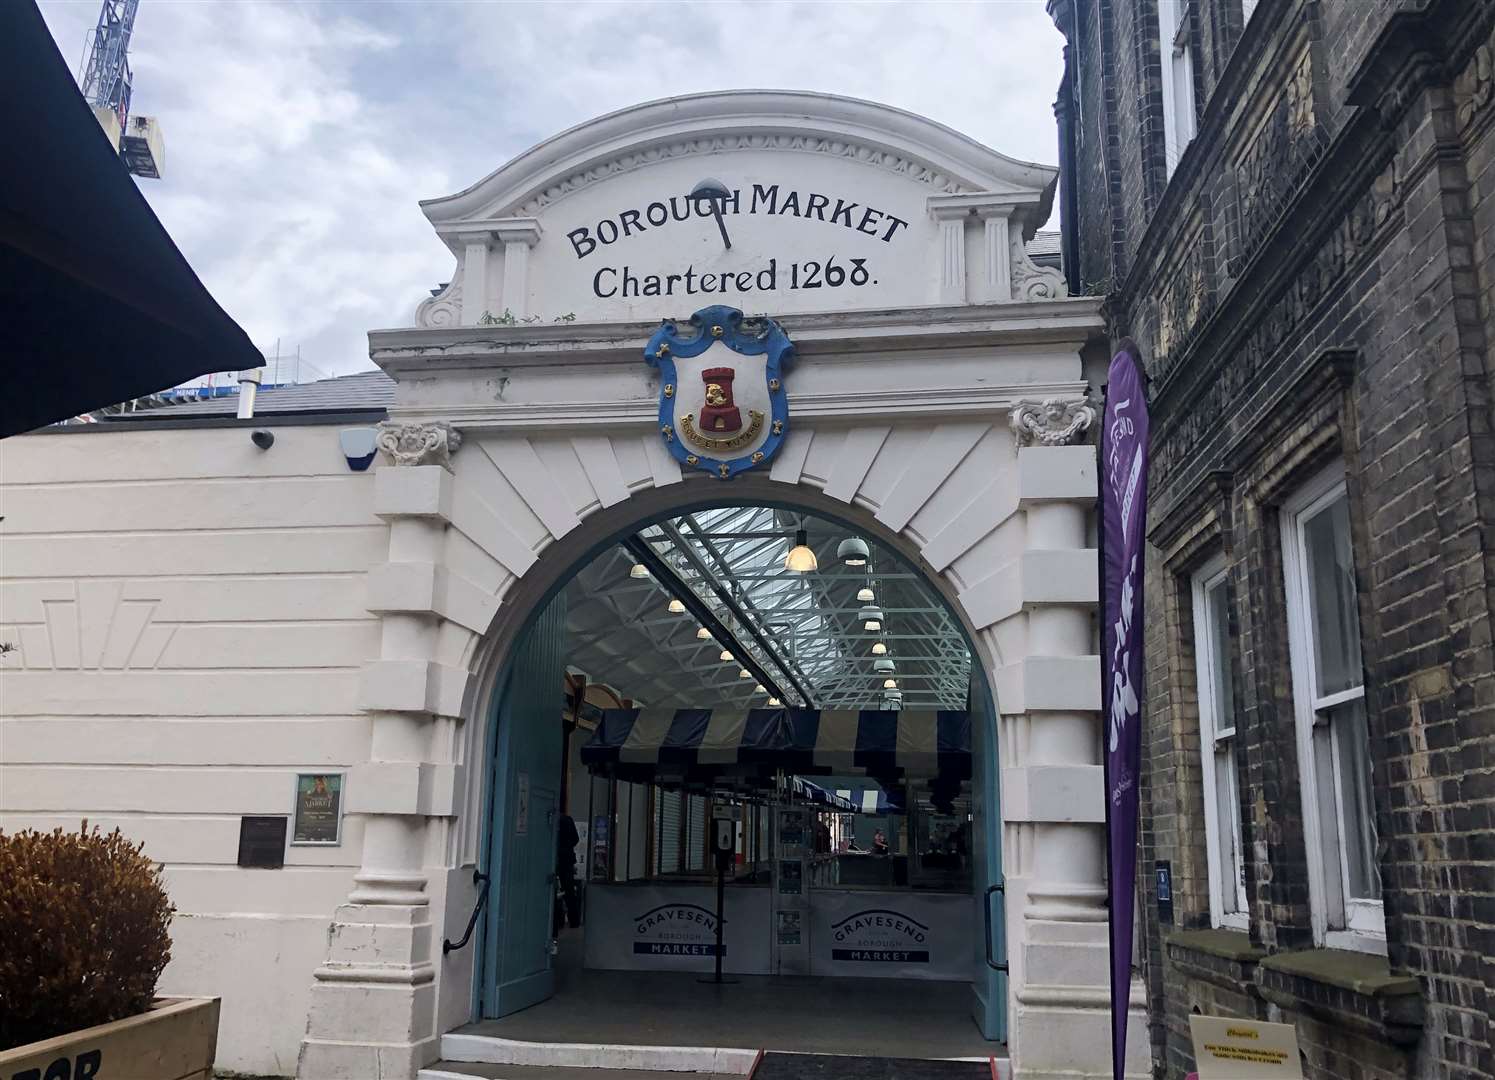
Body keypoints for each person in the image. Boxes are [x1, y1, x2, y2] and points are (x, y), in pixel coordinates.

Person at [556, 812, 581, 929]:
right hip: (568, 859)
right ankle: (574, 920)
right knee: (569, 891)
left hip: (556, 859)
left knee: (555, 890)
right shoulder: (568, 819)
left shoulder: (556, 821)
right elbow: (576, 839)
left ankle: (558, 920)